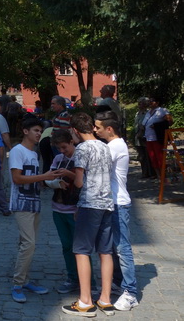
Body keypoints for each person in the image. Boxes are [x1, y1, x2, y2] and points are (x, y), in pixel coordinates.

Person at [62, 112, 116, 317]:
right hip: (107, 203)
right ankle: (106, 299)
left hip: (90, 203)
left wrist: (68, 177)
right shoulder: (104, 146)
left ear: (75, 131)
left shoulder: (82, 149)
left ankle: (85, 301)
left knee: (82, 251)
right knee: (105, 251)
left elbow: (79, 182)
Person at [8, 117, 63, 303]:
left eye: (40, 130)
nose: (39, 133)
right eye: (36, 130)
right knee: (28, 244)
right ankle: (17, 283)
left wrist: (53, 181)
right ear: (25, 131)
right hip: (21, 203)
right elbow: (17, 178)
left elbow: (36, 177)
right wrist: (43, 176)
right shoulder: (18, 151)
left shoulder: (33, 152)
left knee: (27, 244)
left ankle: (25, 280)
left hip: (34, 202)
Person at [96, 111, 139, 312]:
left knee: (122, 248)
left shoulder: (115, 146)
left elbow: (97, 167)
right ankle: (118, 282)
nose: (95, 130)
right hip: (110, 203)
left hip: (119, 203)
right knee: (112, 247)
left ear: (109, 128)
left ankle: (130, 292)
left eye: (98, 127)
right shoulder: (111, 145)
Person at [44, 129, 85, 296]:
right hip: (58, 207)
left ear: (71, 142)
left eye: (64, 147)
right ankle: (72, 277)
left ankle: (88, 282)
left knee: (80, 248)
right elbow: (47, 178)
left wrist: (69, 174)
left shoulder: (80, 158)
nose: (62, 151)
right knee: (66, 246)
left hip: (75, 209)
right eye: (59, 148)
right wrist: (55, 182)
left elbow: (84, 183)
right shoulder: (58, 159)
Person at [143, 96, 172, 181]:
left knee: (160, 157)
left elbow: (169, 122)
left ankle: (164, 176)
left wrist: (157, 126)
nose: (150, 103)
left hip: (157, 137)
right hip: (148, 137)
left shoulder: (162, 111)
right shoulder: (148, 112)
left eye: (152, 101)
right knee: (153, 158)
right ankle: (159, 176)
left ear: (157, 102)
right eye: (150, 101)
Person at [132, 97, 152, 178]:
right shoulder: (137, 113)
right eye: (139, 103)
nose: (139, 105)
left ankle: (150, 172)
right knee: (141, 156)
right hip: (138, 137)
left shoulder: (148, 113)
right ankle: (144, 172)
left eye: (141, 103)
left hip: (145, 136)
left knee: (147, 155)